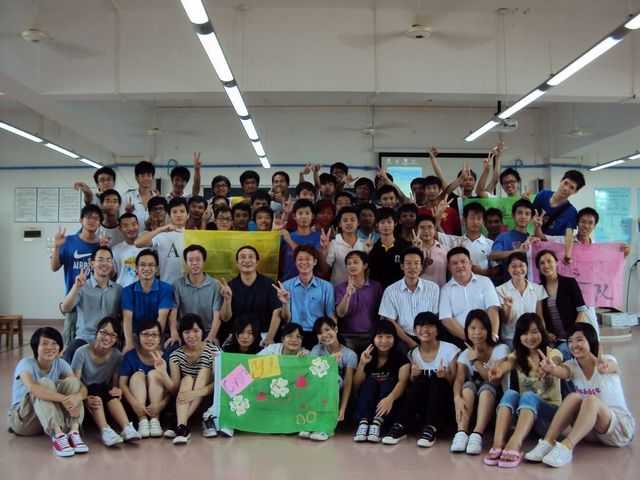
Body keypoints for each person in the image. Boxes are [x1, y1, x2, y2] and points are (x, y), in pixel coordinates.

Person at [526, 323, 635, 467]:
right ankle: (547, 442)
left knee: (591, 400)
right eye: (570, 341)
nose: (574, 345)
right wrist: (551, 369)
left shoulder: (608, 360)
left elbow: (613, 366)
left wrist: (605, 367)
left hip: (619, 430)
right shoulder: (572, 365)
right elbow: (562, 371)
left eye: (579, 340)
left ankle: (566, 447)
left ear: (591, 341)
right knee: (574, 397)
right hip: (592, 432)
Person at [482, 313, 562, 468]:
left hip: (549, 420)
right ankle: (498, 443)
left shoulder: (553, 353)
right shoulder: (518, 356)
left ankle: (514, 444)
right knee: (510, 393)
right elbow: (507, 363)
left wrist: (550, 367)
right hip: (526, 419)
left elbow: (556, 361)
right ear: (519, 336)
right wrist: (499, 370)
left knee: (528, 395)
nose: (530, 337)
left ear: (542, 332)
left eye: (534, 332)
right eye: (524, 333)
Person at [381, 312, 459, 448]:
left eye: (429, 326)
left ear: (437, 330)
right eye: (420, 326)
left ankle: (431, 428)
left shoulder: (450, 349)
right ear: (415, 330)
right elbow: (411, 385)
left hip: (444, 404)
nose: (424, 330)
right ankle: (400, 425)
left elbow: (454, 381)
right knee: (420, 380)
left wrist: (445, 376)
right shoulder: (413, 354)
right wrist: (413, 376)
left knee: (437, 380)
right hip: (422, 405)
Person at [8, 327, 87, 457]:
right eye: (44, 343)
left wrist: (77, 397)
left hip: (49, 417)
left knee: (73, 382)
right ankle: (57, 436)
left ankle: (74, 432)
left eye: (54, 343)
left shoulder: (61, 363)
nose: (50, 347)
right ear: (36, 348)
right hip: (25, 421)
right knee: (43, 383)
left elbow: (81, 387)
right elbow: (33, 388)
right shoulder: (26, 363)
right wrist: (65, 399)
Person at [71, 317, 141, 446]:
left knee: (108, 391)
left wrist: (117, 390)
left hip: (104, 396)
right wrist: (85, 398)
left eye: (113, 335)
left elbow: (114, 385)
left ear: (117, 339)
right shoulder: (81, 352)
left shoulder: (117, 356)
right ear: (96, 332)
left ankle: (127, 428)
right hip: (84, 397)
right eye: (104, 332)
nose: (107, 338)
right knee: (96, 388)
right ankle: (105, 430)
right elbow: (75, 382)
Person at [450, 310, 510, 455]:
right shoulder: (465, 354)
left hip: (496, 403)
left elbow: (492, 378)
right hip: (472, 406)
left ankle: (477, 435)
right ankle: (461, 433)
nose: (477, 332)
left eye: (482, 328)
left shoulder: (501, 349)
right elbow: (458, 380)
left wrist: (475, 360)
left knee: (486, 388)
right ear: (467, 331)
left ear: (489, 330)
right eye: (473, 328)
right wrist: (457, 398)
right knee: (467, 387)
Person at [50, 204, 103, 345]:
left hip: (95, 302)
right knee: (71, 344)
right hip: (74, 301)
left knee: (95, 342)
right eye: (88, 217)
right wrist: (56, 247)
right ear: (81, 220)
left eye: (96, 218)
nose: (92, 221)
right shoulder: (68, 241)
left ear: (100, 223)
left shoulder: (101, 244)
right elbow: (54, 267)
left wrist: (105, 247)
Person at [163, 314, 219, 444]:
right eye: (187, 332)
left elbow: (219, 383)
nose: (192, 335)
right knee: (187, 379)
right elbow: (175, 389)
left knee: (204, 371)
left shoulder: (213, 351)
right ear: (181, 334)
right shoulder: (175, 356)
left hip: (207, 397)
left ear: (202, 332)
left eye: (196, 331)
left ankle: (179, 422)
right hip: (184, 398)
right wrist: (162, 373)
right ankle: (183, 429)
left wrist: (195, 393)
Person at [60, 247, 122, 362]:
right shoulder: (82, 286)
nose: (105, 263)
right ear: (92, 263)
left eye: (108, 260)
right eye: (101, 259)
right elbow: (65, 308)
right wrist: (76, 287)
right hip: (85, 338)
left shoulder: (118, 289)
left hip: (109, 338)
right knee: (69, 356)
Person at [352, 320, 410, 443]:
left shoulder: (401, 358)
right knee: (370, 382)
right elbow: (356, 386)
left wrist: (390, 398)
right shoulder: (367, 355)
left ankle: (377, 423)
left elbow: (403, 382)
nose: (384, 341)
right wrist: (362, 364)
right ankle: (364, 423)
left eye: (388, 337)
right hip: (368, 405)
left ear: (394, 338)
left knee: (388, 382)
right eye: (380, 336)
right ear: (373, 338)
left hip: (389, 404)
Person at [303, 317, 357, 441]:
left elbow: (348, 383)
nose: (324, 335)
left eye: (327, 330)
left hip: (335, 386)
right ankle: (312, 422)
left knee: (331, 378)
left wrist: (342, 409)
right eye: (320, 333)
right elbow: (310, 374)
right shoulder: (316, 349)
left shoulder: (350, 355)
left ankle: (325, 428)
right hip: (317, 387)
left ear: (336, 329)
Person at [219, 246, 282, 346]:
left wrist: (269, 338)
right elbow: (225, 318)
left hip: (263, 336)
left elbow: (277, 312)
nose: (247, 260)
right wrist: (227, 300)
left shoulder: (269, 285)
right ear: (237, 263)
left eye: (251, 257)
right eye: (243, 257)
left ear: (257, 262)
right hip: (237, 337)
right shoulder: (230, 286)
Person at [378, 247, 439, 350]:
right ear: (402, 266)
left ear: (421, 266)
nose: (412, 267)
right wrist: (411, 343)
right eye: (408, 263)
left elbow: (435, 317)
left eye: (416, 263)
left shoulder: (433, 288)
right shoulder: (390, 290)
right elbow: (390, 321)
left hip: (429, 335)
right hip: (402, 338)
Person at [438, 247, 501, 347]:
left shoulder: (485, 281)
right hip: (463, 342)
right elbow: (446, 320)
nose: (459, 266)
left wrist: (493, 335)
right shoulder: (445, 290)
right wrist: (470, 339)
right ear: (449, 267)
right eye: (455, 263)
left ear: (470, 263)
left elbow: (493, 309)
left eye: (463, 261)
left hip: (488, 339)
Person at [118, 320, 170, 438]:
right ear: (138, 336)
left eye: (154, 335)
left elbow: (171, 388)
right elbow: (122, 384)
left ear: (160, 338)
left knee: (154, 374)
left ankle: (155, 420)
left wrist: (161, 405)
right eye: (145, 334)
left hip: (158, 406)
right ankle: (142, 421)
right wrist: (134, 403)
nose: (150, 338)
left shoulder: (166, 357)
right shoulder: (130, 355)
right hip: (136, 405)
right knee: (138, 375)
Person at [278, 245, 336, 349]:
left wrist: (333, 338)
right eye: (300, 259)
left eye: (308, 259)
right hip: (294, 334)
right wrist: (285, 303)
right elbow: (286, 318)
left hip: (317, 334)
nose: (304, 262)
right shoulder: (286, 285)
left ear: (315, 262)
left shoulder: (326, 287)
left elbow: (330, 315)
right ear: (295, 262)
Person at [535, 249, 589, 359]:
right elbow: (540, 316)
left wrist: (573, 334)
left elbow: (582, 311)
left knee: (561, 353)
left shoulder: (569, 283)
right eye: (542, 263)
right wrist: (546, 333)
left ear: (556, 262)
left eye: (549, 261)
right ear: (539, 268)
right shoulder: (539, 288)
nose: (546, 265)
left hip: (572, 337)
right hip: (553, 339)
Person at [121, 249, 175, 353]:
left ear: (157, 269)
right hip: (136, 335)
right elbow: (127, 318)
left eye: (151, 265)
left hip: (158, 334)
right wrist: (129, 343)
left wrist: (155, 343)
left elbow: (162, 318)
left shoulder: (166, 289)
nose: (147, 268)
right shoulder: (127, 291)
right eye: (143, 265)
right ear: (136, 268)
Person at [171, 244, 222, 345]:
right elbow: (173, 312)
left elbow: (217, 315)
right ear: (186, 263)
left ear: (204, 261)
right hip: (185, 333)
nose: (194, 263)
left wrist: (211, 337)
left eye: (198, 260)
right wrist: (174, 333)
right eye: (190, 260)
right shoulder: (177, 284)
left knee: (213, 352)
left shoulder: (215, 285)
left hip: (206, 333)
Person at [335, 251, 383, 353]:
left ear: (365, 265)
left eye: (356, 262)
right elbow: (340, 313)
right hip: (346, 336)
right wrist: (347, 295)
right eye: (349, 263)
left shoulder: (376, 287)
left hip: (371, 335)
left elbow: (380, 313)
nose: (352, 265)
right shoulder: (340, 288)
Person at [495, 252, 547, 346]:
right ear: (508, 269)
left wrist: (544, 335)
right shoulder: (500, 290)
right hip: (511, 339)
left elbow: (540, 317)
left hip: (533, 338)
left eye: (521, 265)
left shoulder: (538, 289)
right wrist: (508, 308)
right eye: (513, 266)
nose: (518, 270)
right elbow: (504, 321)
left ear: (527, 267)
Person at [135, 197, 187, 285]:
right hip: (166, 285)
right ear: (169, 215)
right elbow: (138, 243)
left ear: (187, 214)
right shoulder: (162, 235)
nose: (178, 215)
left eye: (182, 211)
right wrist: (161, 229)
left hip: (187, 286)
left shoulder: (193, 236)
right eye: (174, 212)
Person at [437, 202, 495, 276]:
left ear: (483, 221)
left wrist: (482, 272)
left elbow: (497, 269)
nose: (475, 222)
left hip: (482, 282)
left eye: (479, 218)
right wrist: (437, 218)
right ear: (464, 220)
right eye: (472, 218)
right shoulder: (455, 241)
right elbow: (432, 234)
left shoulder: (490, 244)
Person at [489, 198, 538, 284]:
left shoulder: (533, 239)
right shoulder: (503, 237)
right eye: (520, 213)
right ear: (513, 215)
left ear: (531, 218)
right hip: (507, 286)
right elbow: (493, 255)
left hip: (530, 287)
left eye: (527, 214)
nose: (523, 216)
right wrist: (517, 251)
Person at [533, 169, 585, 236]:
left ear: (575, 192)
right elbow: (529, 216)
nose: (566, 188)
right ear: (561, 181)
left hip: (553, 242)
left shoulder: (572, 213)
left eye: (571, 187)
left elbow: (567, 238)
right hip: (531, 240)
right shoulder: (542, 195)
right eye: (565, 183)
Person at [279, 199, 322, 281]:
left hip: (310, 283)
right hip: (287, 282)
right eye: (300, 213)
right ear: (294, 216)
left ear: (312, 216)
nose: (304, 216)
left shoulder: (319, 237)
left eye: (307, 213)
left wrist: (290, 241)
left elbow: (309, 257)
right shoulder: (286, 236)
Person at [368, 208, 410, 289]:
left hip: (399, 290)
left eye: (389, 222)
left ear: (395, 223)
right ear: (377, 224)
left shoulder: (405, 246)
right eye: (382, 222)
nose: (386, 225)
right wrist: (367, 253)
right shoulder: (372, 247)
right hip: (377, 291)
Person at [322, 206, 366, 285]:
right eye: (345, 220)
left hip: (360, 288)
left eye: (352, 220)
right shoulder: (334, 243)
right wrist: (324, 250)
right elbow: (325, 269)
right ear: (340, 224)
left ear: (358, 223)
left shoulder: (364, 244)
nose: (349, 223)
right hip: (338, 288)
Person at [412, 215, 448, 287]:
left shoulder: (444, 249)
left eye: (430, 227)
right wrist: (416, 251)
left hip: (441, 290)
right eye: (422, 228)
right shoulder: (412, 250)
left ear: (434, 229)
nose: (426, 231)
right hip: (420, 291)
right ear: (416, 230)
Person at [123, 161, 159, 231]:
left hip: (153, 236)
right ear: (137, 178)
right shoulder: (127, 197)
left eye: (149, 175)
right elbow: (122, 222)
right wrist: (127, 213)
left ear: (152, 177)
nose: (146, 178)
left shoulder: (157, 199)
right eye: (142, 175)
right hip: (133, 237)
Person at [112, 213, 143, 287]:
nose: (131, 228)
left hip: (144, 289)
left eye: (133, 224)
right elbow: (112, 274)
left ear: (138, 225)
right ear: (120, 229)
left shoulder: (149, 246)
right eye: (125, 226)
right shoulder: (115, 250)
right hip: (122, 289)